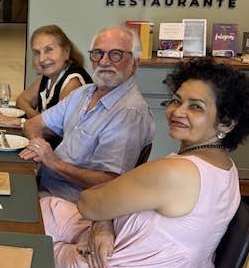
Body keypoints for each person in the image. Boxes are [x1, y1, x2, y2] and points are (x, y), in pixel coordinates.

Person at [41, 59, 249, 268]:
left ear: (226, 122)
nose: (178, 111)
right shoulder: (225, 167)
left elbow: (89, 202)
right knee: (50, 208)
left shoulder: (175, 172)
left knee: (29, 251)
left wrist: (101, 220)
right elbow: (105, 202)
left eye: (196, 107)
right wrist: (102, 225)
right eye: (176, 100)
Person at [20, 26, 154, 202]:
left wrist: (54, 163)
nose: (104, 62)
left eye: (116, 54)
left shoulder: (130, 113)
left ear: (135, 62)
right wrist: (39, 147)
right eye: (98, 53)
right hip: (42, 185)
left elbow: (111, 183)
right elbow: (32, 124)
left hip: (73, 203)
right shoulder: (83, 93)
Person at [0, 25, 91, 127]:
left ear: (66, 52)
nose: (41, 59)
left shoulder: (73, 82)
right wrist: (36, 117)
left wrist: (19, 122)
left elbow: (58, 128)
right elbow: (22, 100)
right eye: (36, 52)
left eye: (48, 50)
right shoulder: (50, 75)